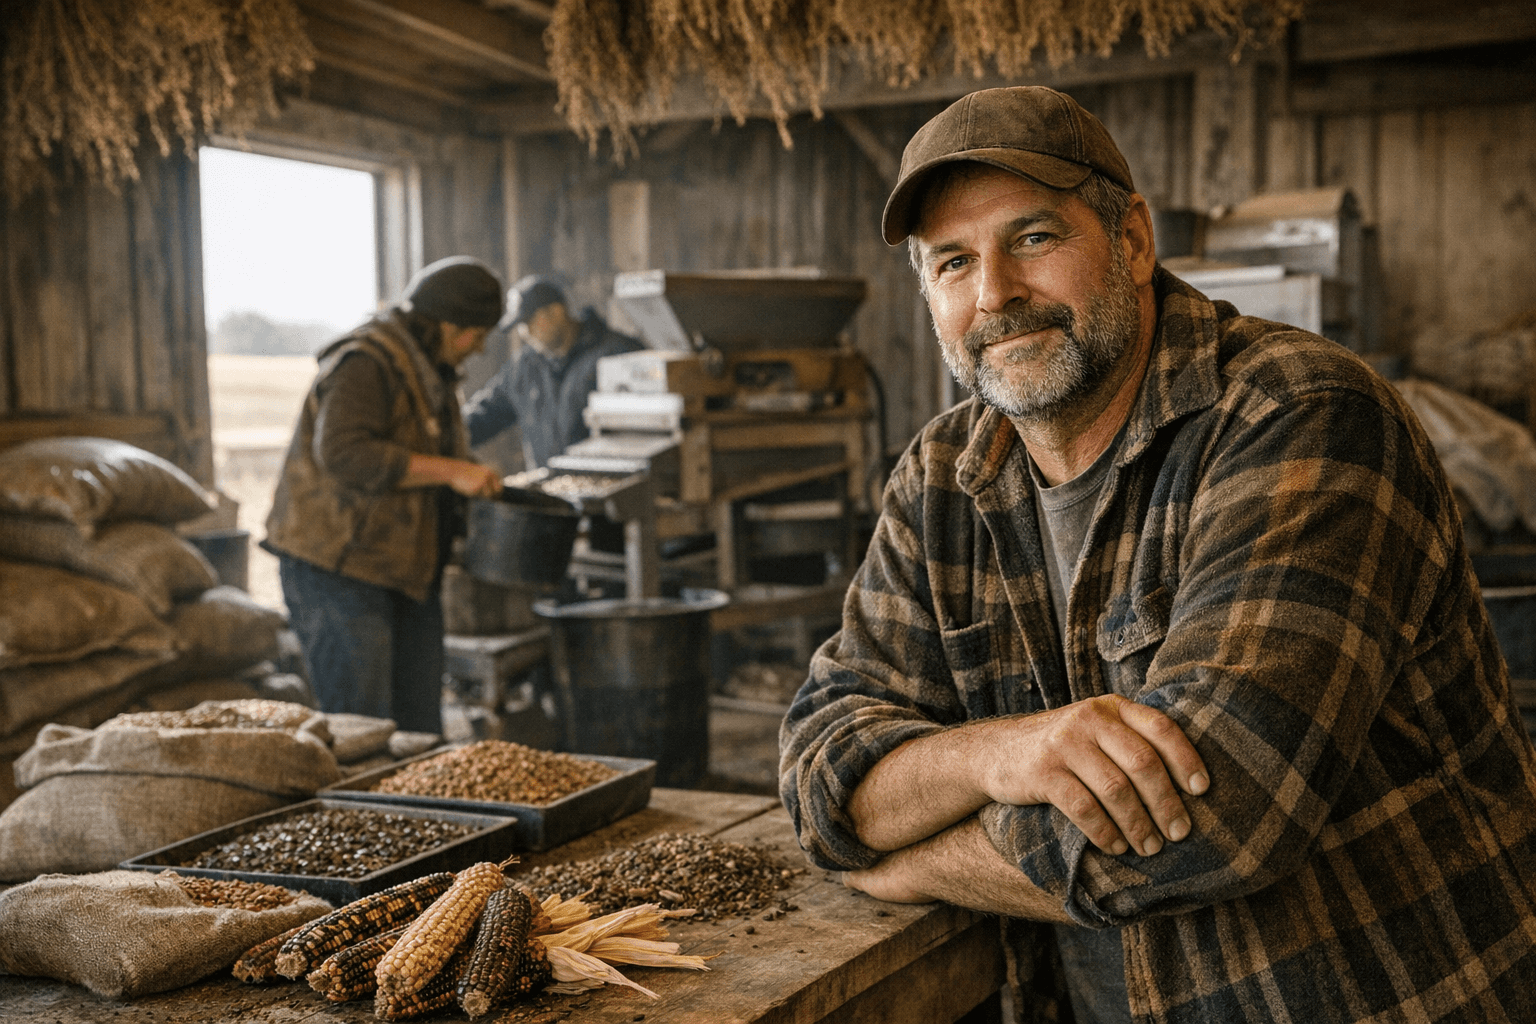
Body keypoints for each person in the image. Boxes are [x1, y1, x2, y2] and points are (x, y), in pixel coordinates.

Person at [779, 86, 1536, 1023]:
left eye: (1035, 239)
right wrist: (997, 758)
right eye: (953, 262)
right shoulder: (940, 475)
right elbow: (821, 764)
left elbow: (1213, 826)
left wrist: (901, 860)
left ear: (1132, 240)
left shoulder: (1300, 416)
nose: (996, 294)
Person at [264, 255, 505, 735]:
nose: (477, 350)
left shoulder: (429, 369)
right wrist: (452, 471)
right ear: (447, 324)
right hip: (340, 572)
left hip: (402, 572)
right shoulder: (366, 362)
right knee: (363, 732)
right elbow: (343, 452)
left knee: (417, 734)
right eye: (475, 337)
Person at [463, 274, 644, 469]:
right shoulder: (525, 366)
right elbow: (486, 413)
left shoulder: (617, 354)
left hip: (606, 485)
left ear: (556, 312)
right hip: (548, 491)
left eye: (529, 322)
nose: (525, 333)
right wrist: (443, 438)